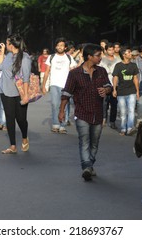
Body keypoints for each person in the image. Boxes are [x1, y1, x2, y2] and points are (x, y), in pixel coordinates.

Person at [59, 44, 112, 181]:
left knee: (94, 142)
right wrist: (61, 111)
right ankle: (86, 167)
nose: (100, 58)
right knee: (84, 141)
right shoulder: (75, 73)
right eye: (98, 55)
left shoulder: (101, 71)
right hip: (82, 112)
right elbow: (66, 93)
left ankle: (90, 164)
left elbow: (109, 86)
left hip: (98, 113)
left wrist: (106, 90)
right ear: (89, 56)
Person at [0, 34, 31, 154]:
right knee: (9, 118)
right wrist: (2, 53)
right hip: (4, 91)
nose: (6, 46)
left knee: (21, 119)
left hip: (19, 93)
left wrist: (26, 95)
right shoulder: (8, 56)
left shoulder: (25, 58)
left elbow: (26, 78)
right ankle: (12, 145)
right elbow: (0, 67)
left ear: (11, 45)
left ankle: (24, 137)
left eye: (7, 44)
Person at [42, 37, 77, 134]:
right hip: (54, 84)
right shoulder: (51, 57)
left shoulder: (69, 58)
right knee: (54, 104)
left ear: (65, 47)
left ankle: (62, 125)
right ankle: (55, 124)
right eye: (58, 45)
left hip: (66, 85)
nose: (59, 47)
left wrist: (74, 85)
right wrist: (43, 85)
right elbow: (46, 71)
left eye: (62, 45)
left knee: (64, 105)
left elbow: (73, 72)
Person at [112, 46, 139, 135]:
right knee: (123, 112)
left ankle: (130, 128)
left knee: (131, 110)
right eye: (129, 52)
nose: (131, 54)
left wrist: (137, 91)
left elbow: (135, 78)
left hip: (132, 91)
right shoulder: (118, 66)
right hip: (121, 92)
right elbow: (115, 78)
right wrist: (114, 89)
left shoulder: (134, 65)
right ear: (124, 55)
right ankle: (123, 128)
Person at [99, 42, 121, 129]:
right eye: (109, 50)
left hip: (115, 84)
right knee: (104, 103)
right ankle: (103, 119)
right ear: (106, 50)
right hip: (104, 84)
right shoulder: (102, 60)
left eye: (112, 49)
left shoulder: (118, 60)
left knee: (114, 104)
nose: (111, 51)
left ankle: (112, 121)